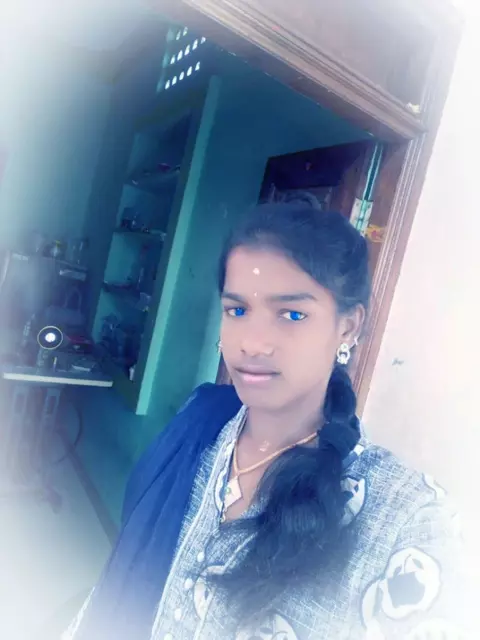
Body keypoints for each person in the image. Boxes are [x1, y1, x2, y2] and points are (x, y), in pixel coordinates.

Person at [64, 201, 471, 640]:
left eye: (292, 314)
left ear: (348, 327)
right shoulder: (200, 420)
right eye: (237, 310)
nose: (252, 344)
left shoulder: (406, 519)